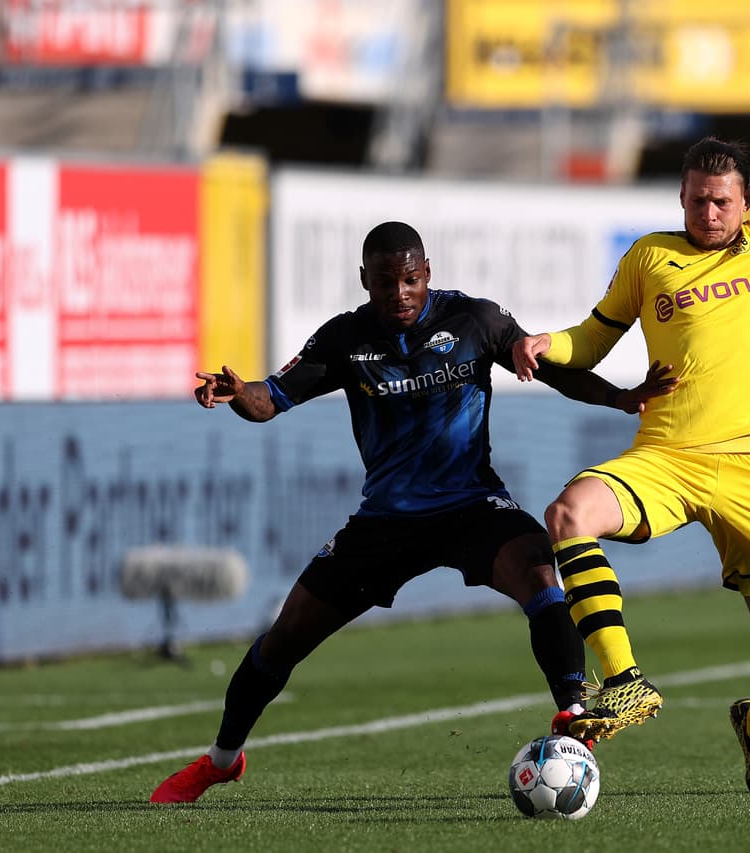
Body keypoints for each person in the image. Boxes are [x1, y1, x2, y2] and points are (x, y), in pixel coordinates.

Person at [150, 221, 675, 803]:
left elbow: (551, 367)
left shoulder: (475, 321)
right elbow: (269, 400)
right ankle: (221, 761)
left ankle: (574, 717)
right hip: (386, 521)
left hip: (473, 504)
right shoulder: (345, 339)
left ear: (427, 273)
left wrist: (619, 396)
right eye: (384, 282)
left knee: (539, 573)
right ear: (364, 282)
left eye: (409, 279)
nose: (399, 292)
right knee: (284, 639)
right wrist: (237, 392)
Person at [510, 34, 750, 794]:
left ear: (746, 201)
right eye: (696, 198)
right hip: (666, 455)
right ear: (680, 198)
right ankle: (625, 680)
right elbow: (594, 338)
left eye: (721, 199)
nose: (707, 210)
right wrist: (547, 341)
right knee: (568, 511)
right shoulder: (649, 257)